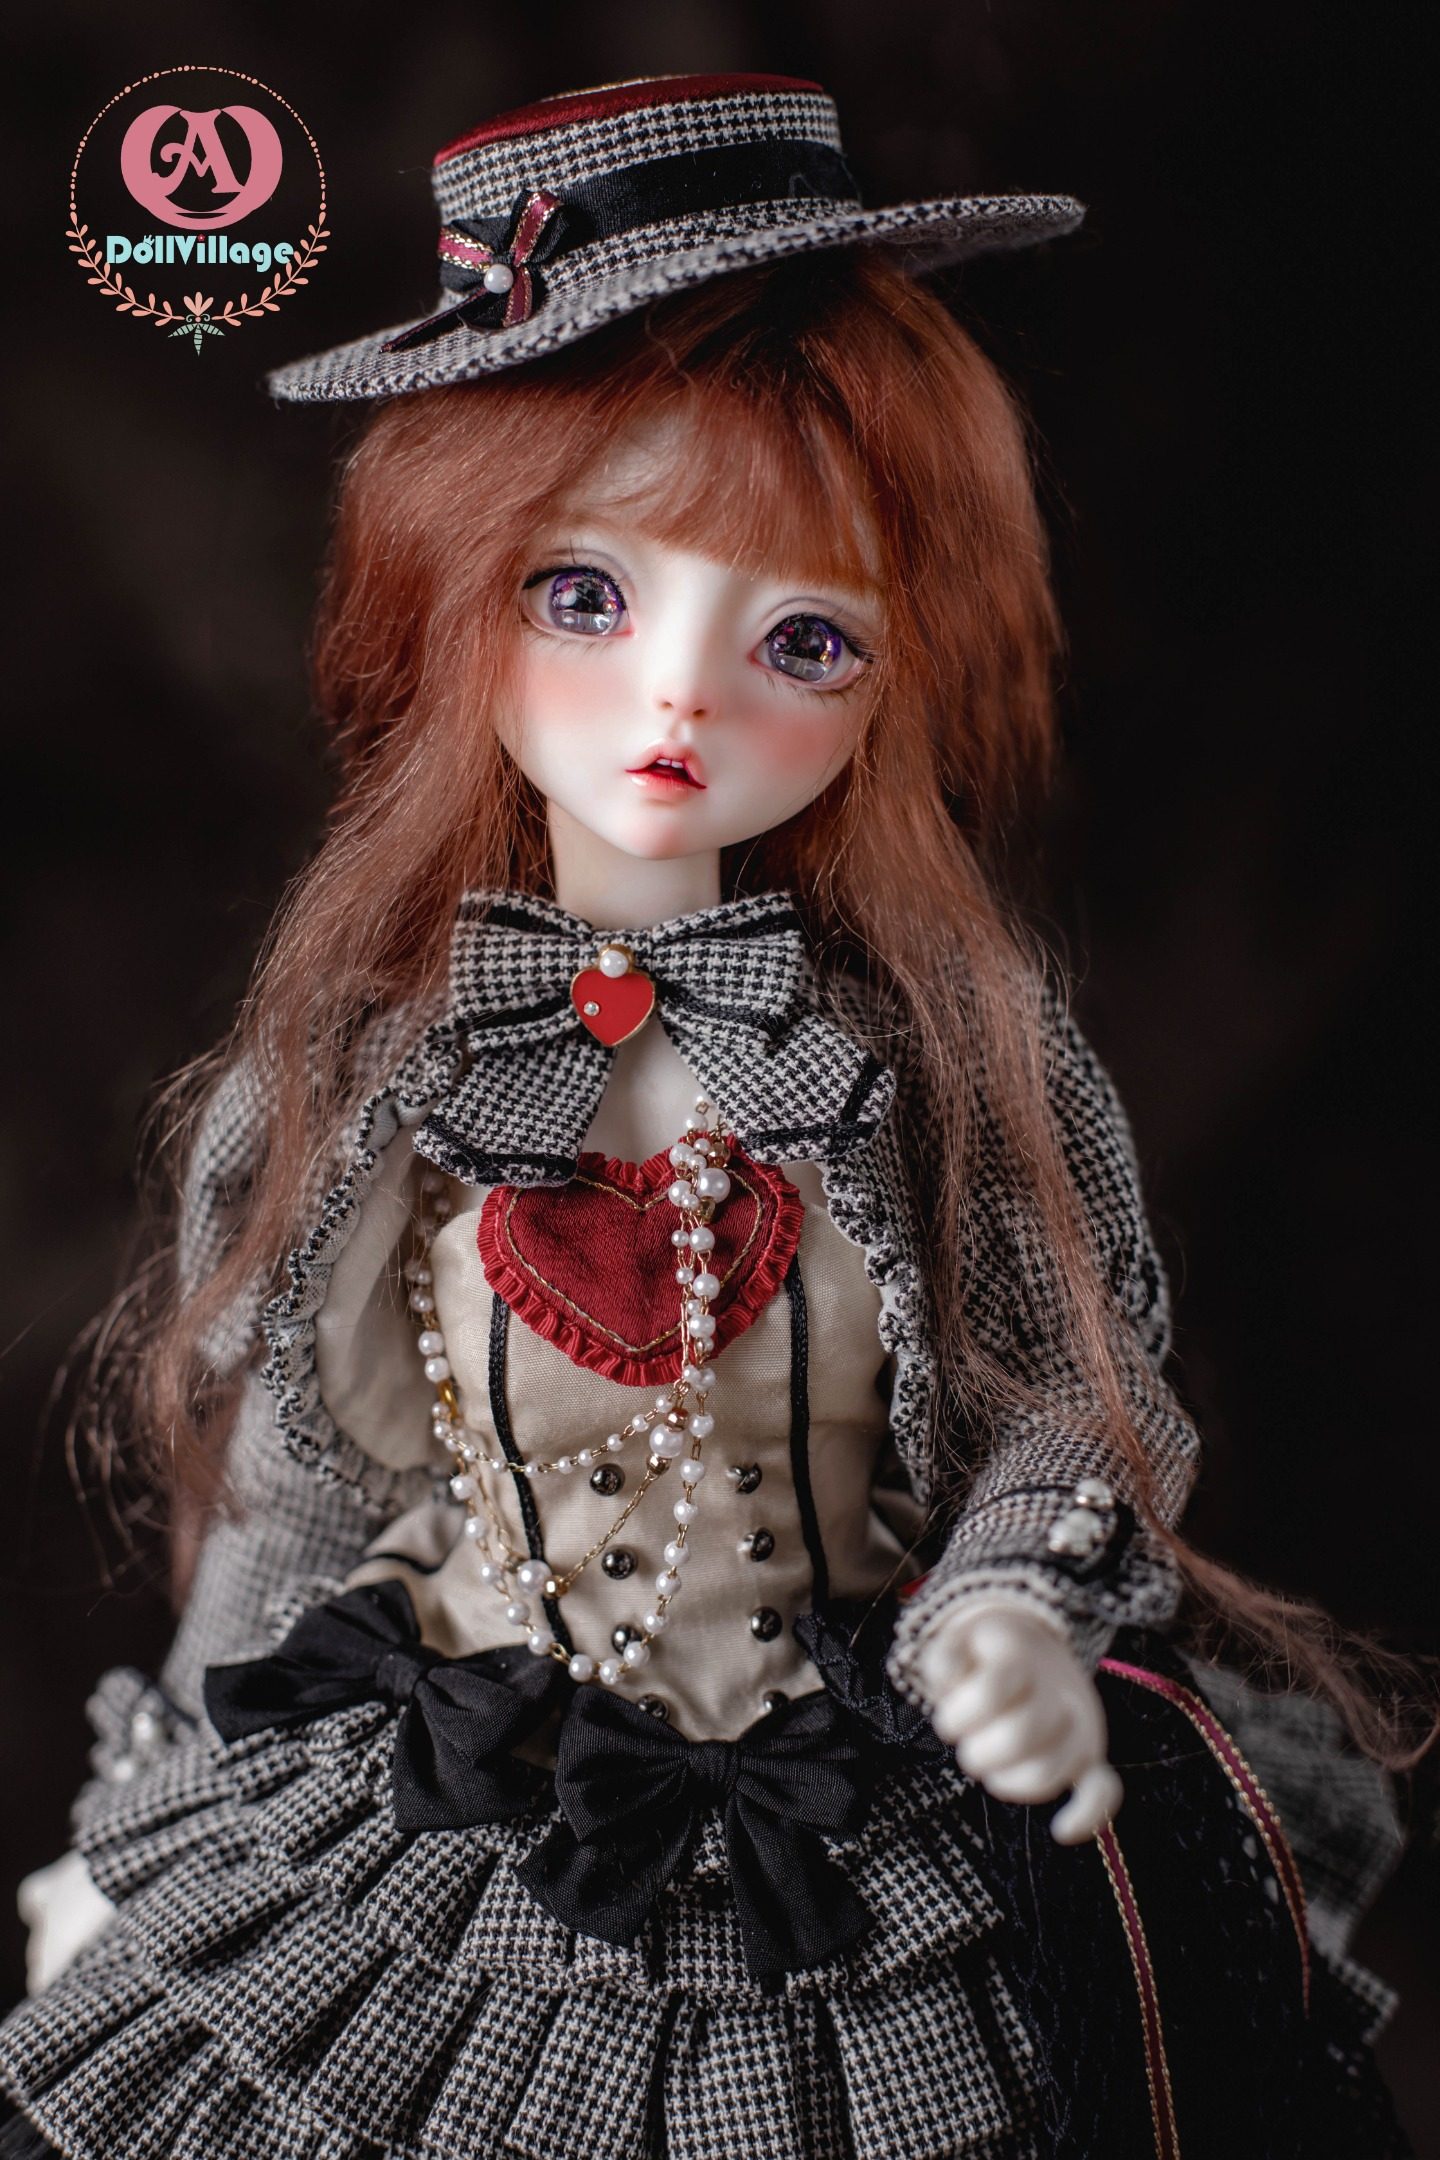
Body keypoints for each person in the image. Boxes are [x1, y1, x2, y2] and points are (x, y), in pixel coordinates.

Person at [0, 72, 1412, 2159]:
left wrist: (1007, 1610)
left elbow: (1071, 1400)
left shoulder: (944, 1051)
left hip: (859, 1819)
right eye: (584, 595)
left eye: (802, 638)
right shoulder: (378, 1070)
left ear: (895, 676)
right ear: (449, 596)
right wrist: (148, 1823)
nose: (681, 695)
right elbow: (297, 1499)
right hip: (458, 1803)